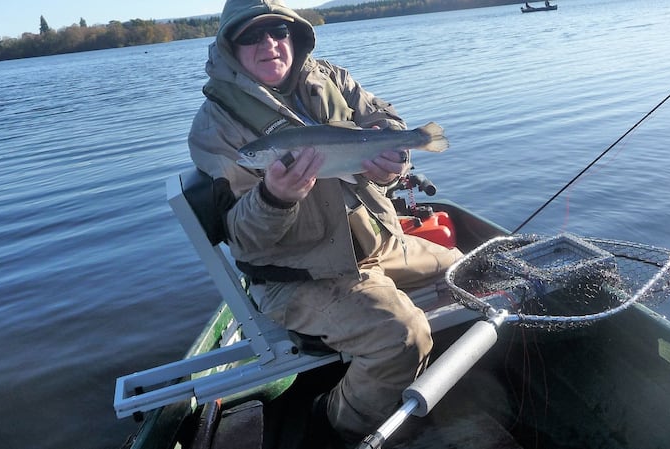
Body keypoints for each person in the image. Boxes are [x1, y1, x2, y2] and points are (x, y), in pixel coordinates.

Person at [187, 0, 463, 445]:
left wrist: (395, 159)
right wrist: (275, 198)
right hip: (298, 275)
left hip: (375, 243)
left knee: (469, 269)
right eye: (252, 35)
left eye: (278, 30)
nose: (270, 44)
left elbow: (384, 119)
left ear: (294, 35)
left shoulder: (330, 77)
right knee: (404, 336)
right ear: (229, 45)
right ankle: (333, 424)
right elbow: (243, 239)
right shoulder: (214, 129)